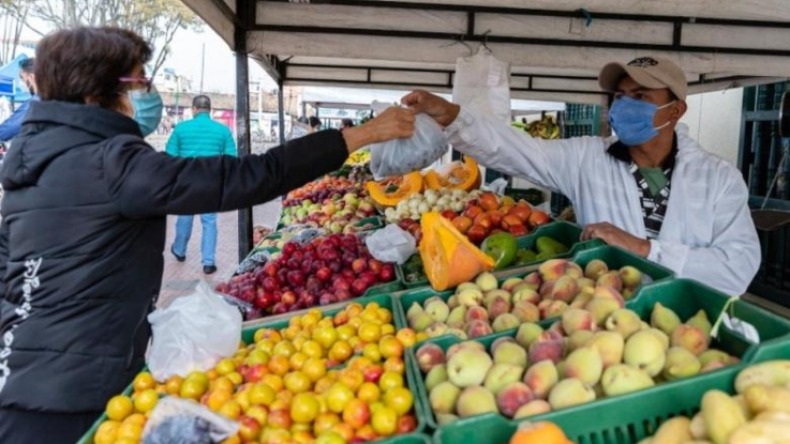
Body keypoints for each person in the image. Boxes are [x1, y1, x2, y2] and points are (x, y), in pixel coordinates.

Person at [0, 26, 414, 442]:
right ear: (96, 91)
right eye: (139, 80)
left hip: (20, 377)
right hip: (71, 395)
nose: (146, 92)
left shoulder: (33, 160)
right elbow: (249, 177)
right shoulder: (110, 162)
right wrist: (360, 135)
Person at [402, 56, 760, 296]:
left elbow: (738, 267)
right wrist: (451, 115)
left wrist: (644, 249)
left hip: (691, 326)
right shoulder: (589, 157)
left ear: (676, 110)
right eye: (619, 95)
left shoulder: (718, 178)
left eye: (640, 95)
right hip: (604, 320)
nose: (623, 104)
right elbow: (515, 148)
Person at [166, 95, 236, 274]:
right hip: (211, 182)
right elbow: (231, 159)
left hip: (186, 181)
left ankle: (180, 250)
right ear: (209, 110)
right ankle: (208, 262)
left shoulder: (180, 129)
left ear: (194, 109)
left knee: (185, 218)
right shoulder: (223, 130)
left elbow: (170, 157)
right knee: (209, 221)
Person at [0, 58, 37, 142]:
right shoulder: (57, 98)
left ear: (31, 77)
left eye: (22, 78)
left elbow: (5, 132)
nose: (20, 83)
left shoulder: (34, 104)